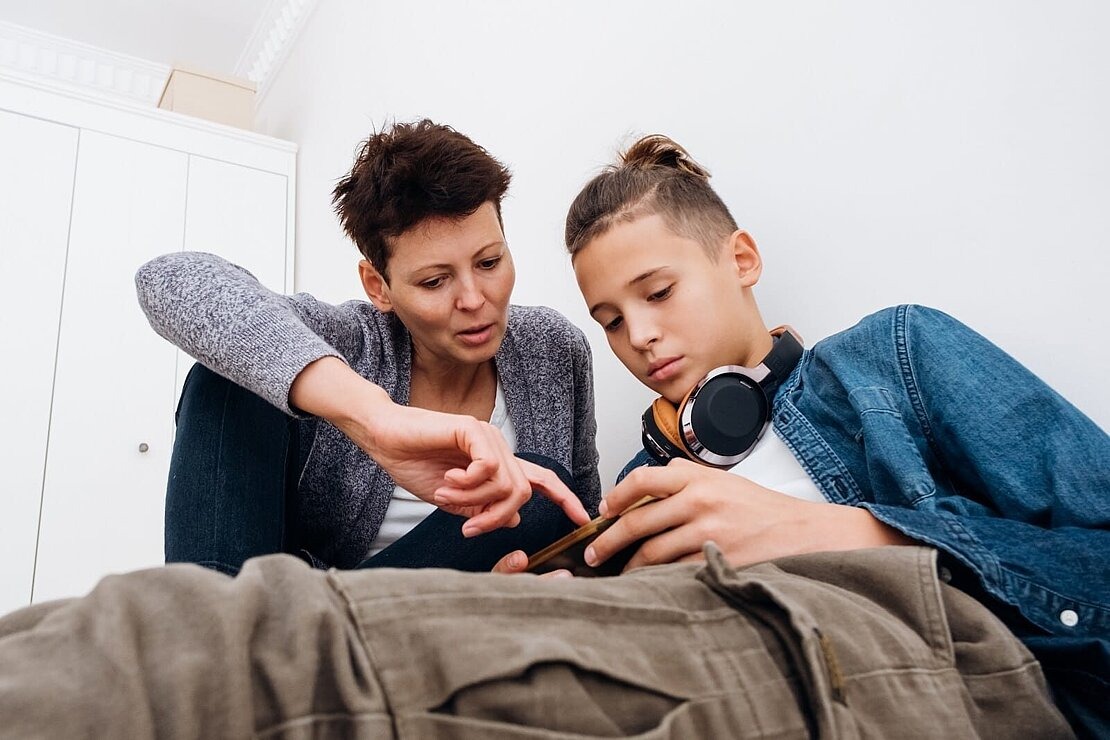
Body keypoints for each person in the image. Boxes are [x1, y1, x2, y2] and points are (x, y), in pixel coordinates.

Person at [490, 134, 1109, 735]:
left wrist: (853, 533)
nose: (640, 335)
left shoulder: (895, 358)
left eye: (659, 292)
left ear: (741, 260)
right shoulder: (640, 490)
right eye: (612, 321)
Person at [135, 119, 599, 574]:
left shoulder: (554, 350)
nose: (475, 299)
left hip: (439, 617)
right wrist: (378, 422)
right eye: (435, 281)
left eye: (490, 261)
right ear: (378, 286)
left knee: (538, 490)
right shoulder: (348, 340)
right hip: (296, 612)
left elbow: (584, 518)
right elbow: (171, 278)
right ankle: (223, 626)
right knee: (230, 368)